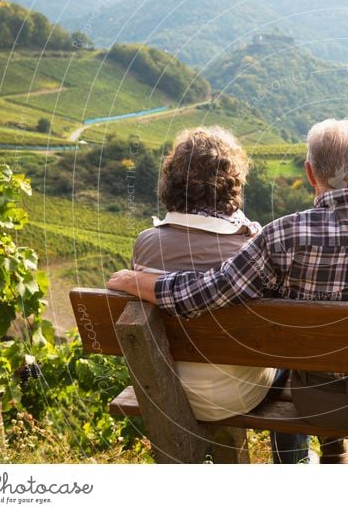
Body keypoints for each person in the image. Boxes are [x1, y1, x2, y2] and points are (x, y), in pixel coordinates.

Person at [108, 120, 348, 464]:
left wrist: (142, 282)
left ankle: (334, 452)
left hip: (319, 402)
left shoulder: (280, 236)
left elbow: (207, 291)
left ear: (309, 173)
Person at [130, 126, 309, 464]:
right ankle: (295, 463)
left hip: (169, 390)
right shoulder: (251, 247)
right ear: (232, 182)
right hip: (241, 392)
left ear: (173, 181)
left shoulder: (146, 243)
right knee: (292, 357)